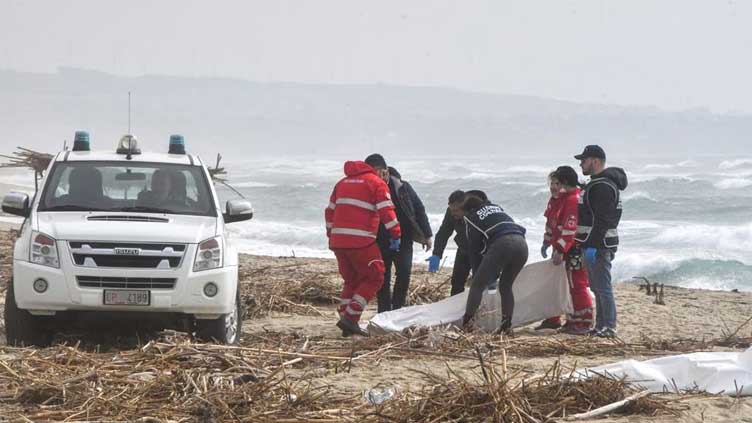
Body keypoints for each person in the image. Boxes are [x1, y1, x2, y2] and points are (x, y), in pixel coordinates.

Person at [325, 159, 402, 337]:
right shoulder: (376, 183)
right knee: (376, 276)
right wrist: (396, 234)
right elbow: (386, 211)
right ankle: (351, 318)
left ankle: (345, 317)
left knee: (351, 280)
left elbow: (329, 211)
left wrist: (331, 234)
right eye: (383, 172)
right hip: (361, 241)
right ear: (377, 169)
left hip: (338, 241)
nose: (385, 176)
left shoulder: (342, 183)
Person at [574, 145, 628, 338]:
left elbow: (602, 220)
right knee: (596, 286)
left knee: (602, 287)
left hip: (599, 245)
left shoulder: (602, 186)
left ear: (595, 161)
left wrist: (592, 246)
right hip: (597, 243)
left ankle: (609, 327)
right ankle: (600, 326)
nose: (581, 163)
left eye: (584, 160)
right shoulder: (597, 184)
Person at [370, 155, 433, 313]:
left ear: (385, 171)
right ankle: (383, 312)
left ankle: (397, 310)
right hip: (379, 239)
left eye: (376, 173)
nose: (373, 177)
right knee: (382, 277)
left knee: (404, 273)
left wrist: (427, 234)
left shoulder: (402, 186)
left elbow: (419, 209)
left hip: (404, 238)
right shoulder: (368, 188)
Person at [535, 167, 594, 334]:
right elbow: (552, 222)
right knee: (559, 283)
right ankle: (555, 319)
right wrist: (547, 241)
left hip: (573, 248)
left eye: (557, 183)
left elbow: (570, 228)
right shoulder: (557, 199)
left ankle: (583, 321)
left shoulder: (573, 200)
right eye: (551, 183)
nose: (553, 187)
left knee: (577, 284)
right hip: (560, 246)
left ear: (566, 183)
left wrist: (560, 249)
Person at [461, 195, 528, 334]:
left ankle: (467, 324)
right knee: (506, 286)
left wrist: (476, 273)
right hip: (522, 244)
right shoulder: (497, 208)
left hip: (503, 244)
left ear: (468, 211)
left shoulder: (471, 217)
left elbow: (474, 249)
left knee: (477, 286)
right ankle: (506, 326)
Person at [429, 189, 489, 296]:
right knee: (456, 283)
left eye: (456, 211)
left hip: (482, 251)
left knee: (481, 282)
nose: (453, 213)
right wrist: (437, 254)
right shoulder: (452, 212)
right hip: (464, 248)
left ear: (465, 207)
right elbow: (444, 231)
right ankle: (454, 308)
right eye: (451, 210)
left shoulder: (481, 210)